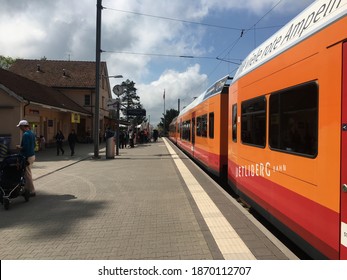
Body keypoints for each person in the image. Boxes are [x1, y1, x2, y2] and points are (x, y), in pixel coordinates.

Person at [16, 120, 36, 197]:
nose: (20, 128)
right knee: (26, 173)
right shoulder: (31, 133)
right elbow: (33, 145)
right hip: (32, 155)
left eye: (20, 127)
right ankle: (26, 189)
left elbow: (25, 148)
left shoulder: (26, 135)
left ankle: (32, 191)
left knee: (27, 174)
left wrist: (19, 147)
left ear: (24, 126)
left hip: (27, 156)